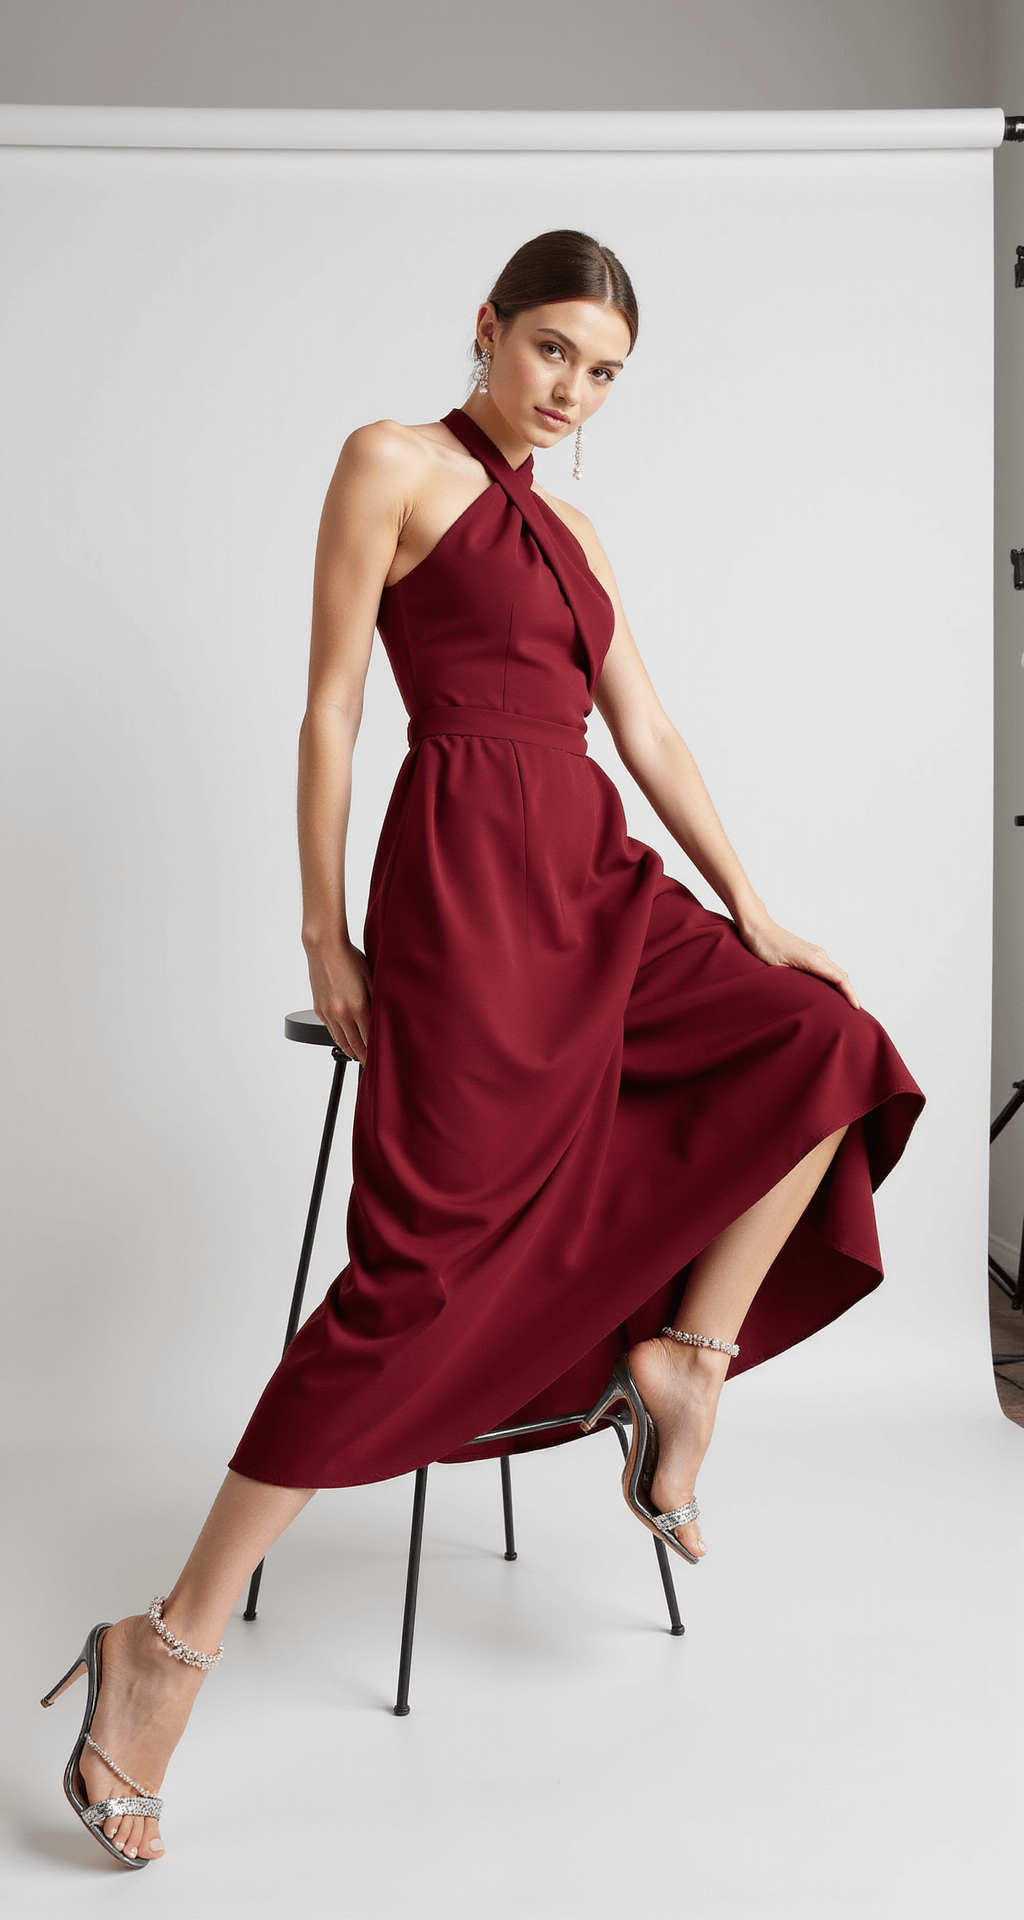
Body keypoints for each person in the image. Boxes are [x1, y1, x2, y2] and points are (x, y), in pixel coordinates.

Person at [41, 229, 925, 1869]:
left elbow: (644, 730)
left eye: (602, 376)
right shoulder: (390, 461)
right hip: (460, 881)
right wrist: (324, 937)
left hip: (594, 877)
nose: (571, 393)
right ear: (488, 331)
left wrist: (754, 905)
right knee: (418, 1267)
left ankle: (686, 1362)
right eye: (551, 355)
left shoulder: (579, 530)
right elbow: (328, 710)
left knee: (829, 1039)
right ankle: (165, 1646)